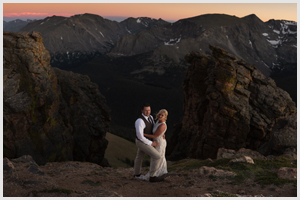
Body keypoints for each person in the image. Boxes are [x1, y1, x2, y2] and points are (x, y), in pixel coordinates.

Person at [133, 103, 164, 182]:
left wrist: (161, 133)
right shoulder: (139, 121)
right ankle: (152, 177)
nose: (148, 112)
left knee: (139, 157)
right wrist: (151, 143)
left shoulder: (150, 117)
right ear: (142, 111)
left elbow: (153, 127)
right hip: (141, 142)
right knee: (157, 156)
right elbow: (140, 136)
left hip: (146, 140)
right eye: (146, 110)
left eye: (149, 110)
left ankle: (136, 174)